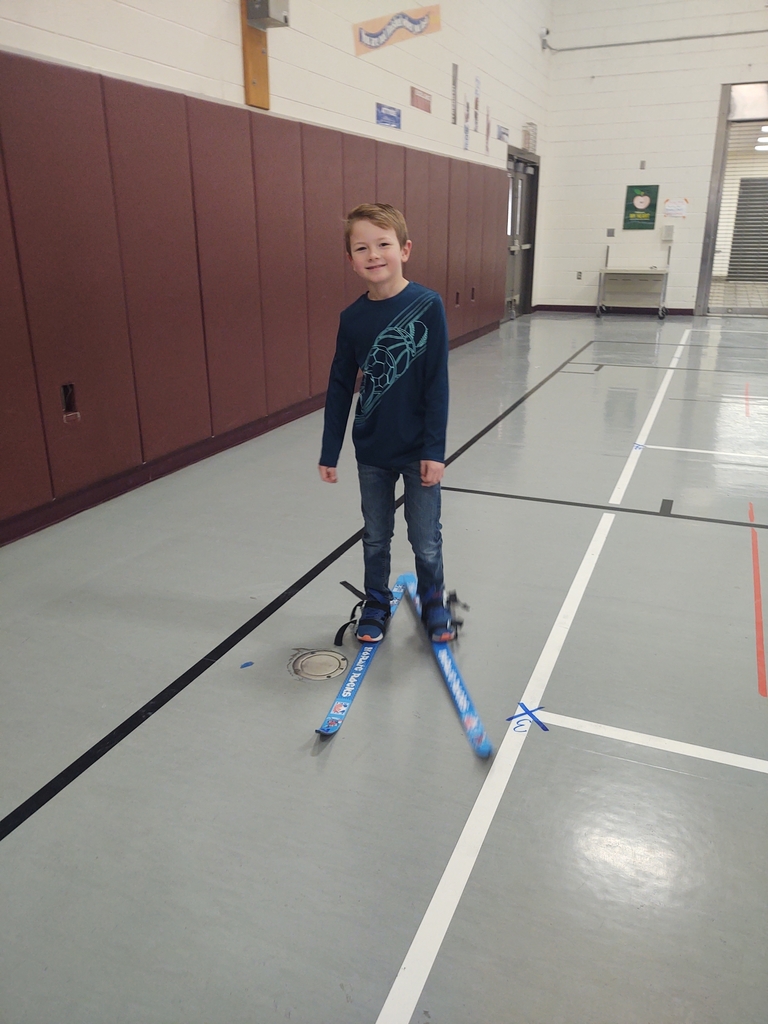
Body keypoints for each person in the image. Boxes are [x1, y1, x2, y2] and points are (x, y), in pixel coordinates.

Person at [318, 202, 456, 644]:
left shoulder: (427, 305)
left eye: (383, 244)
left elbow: (437, 383)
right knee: (376, 536)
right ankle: (376, 603)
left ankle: (433, 605)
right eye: (362, 247)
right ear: (351, 259)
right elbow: (340, 387)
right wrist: (329, 450)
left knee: (425, 539)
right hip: (373, 451)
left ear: (405, 249)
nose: (374, 254)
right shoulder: (353, 319)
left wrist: (435, 451)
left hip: (418, 452)